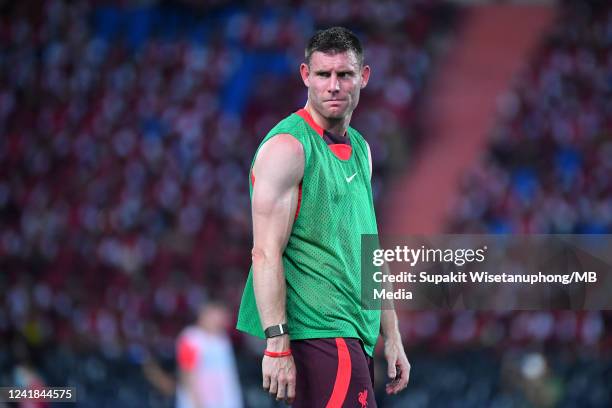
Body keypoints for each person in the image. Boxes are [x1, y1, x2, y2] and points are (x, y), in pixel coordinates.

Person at [236, 27, 410, 407]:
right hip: (320, 334)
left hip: (354, 334)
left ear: (363, 77)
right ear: (305, 76)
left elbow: (369, 249)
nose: (333, 85)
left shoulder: (361, 149)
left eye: (344, 75)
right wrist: (277, 343)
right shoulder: (288, 148)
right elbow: (264, 252)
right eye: (323, 75)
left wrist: (391, 334)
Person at [176, 302, 243, 408]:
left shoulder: (222, 339)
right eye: (214, 317)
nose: (219, 321)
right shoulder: (191, 338)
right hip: (199, 403)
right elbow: (187, 373)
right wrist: (197, 403)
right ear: (203, 316)